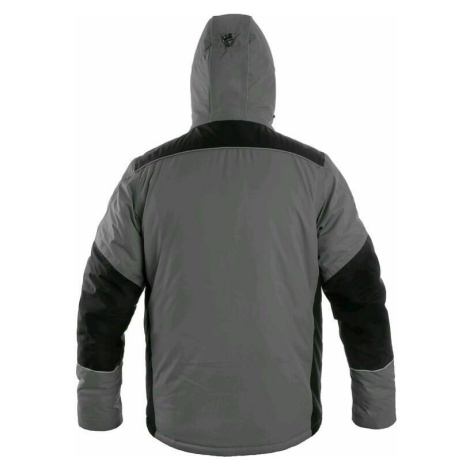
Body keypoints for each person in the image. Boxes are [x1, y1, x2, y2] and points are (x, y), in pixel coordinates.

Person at [76, 13, 396, 456]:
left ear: (198, 79)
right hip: (288, 422)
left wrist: (97, 413)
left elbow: (103, 302)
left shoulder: (144, 177)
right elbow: (360, 296)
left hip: (178, 422)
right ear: (268, 78)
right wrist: (376, 410)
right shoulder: (316, 174)